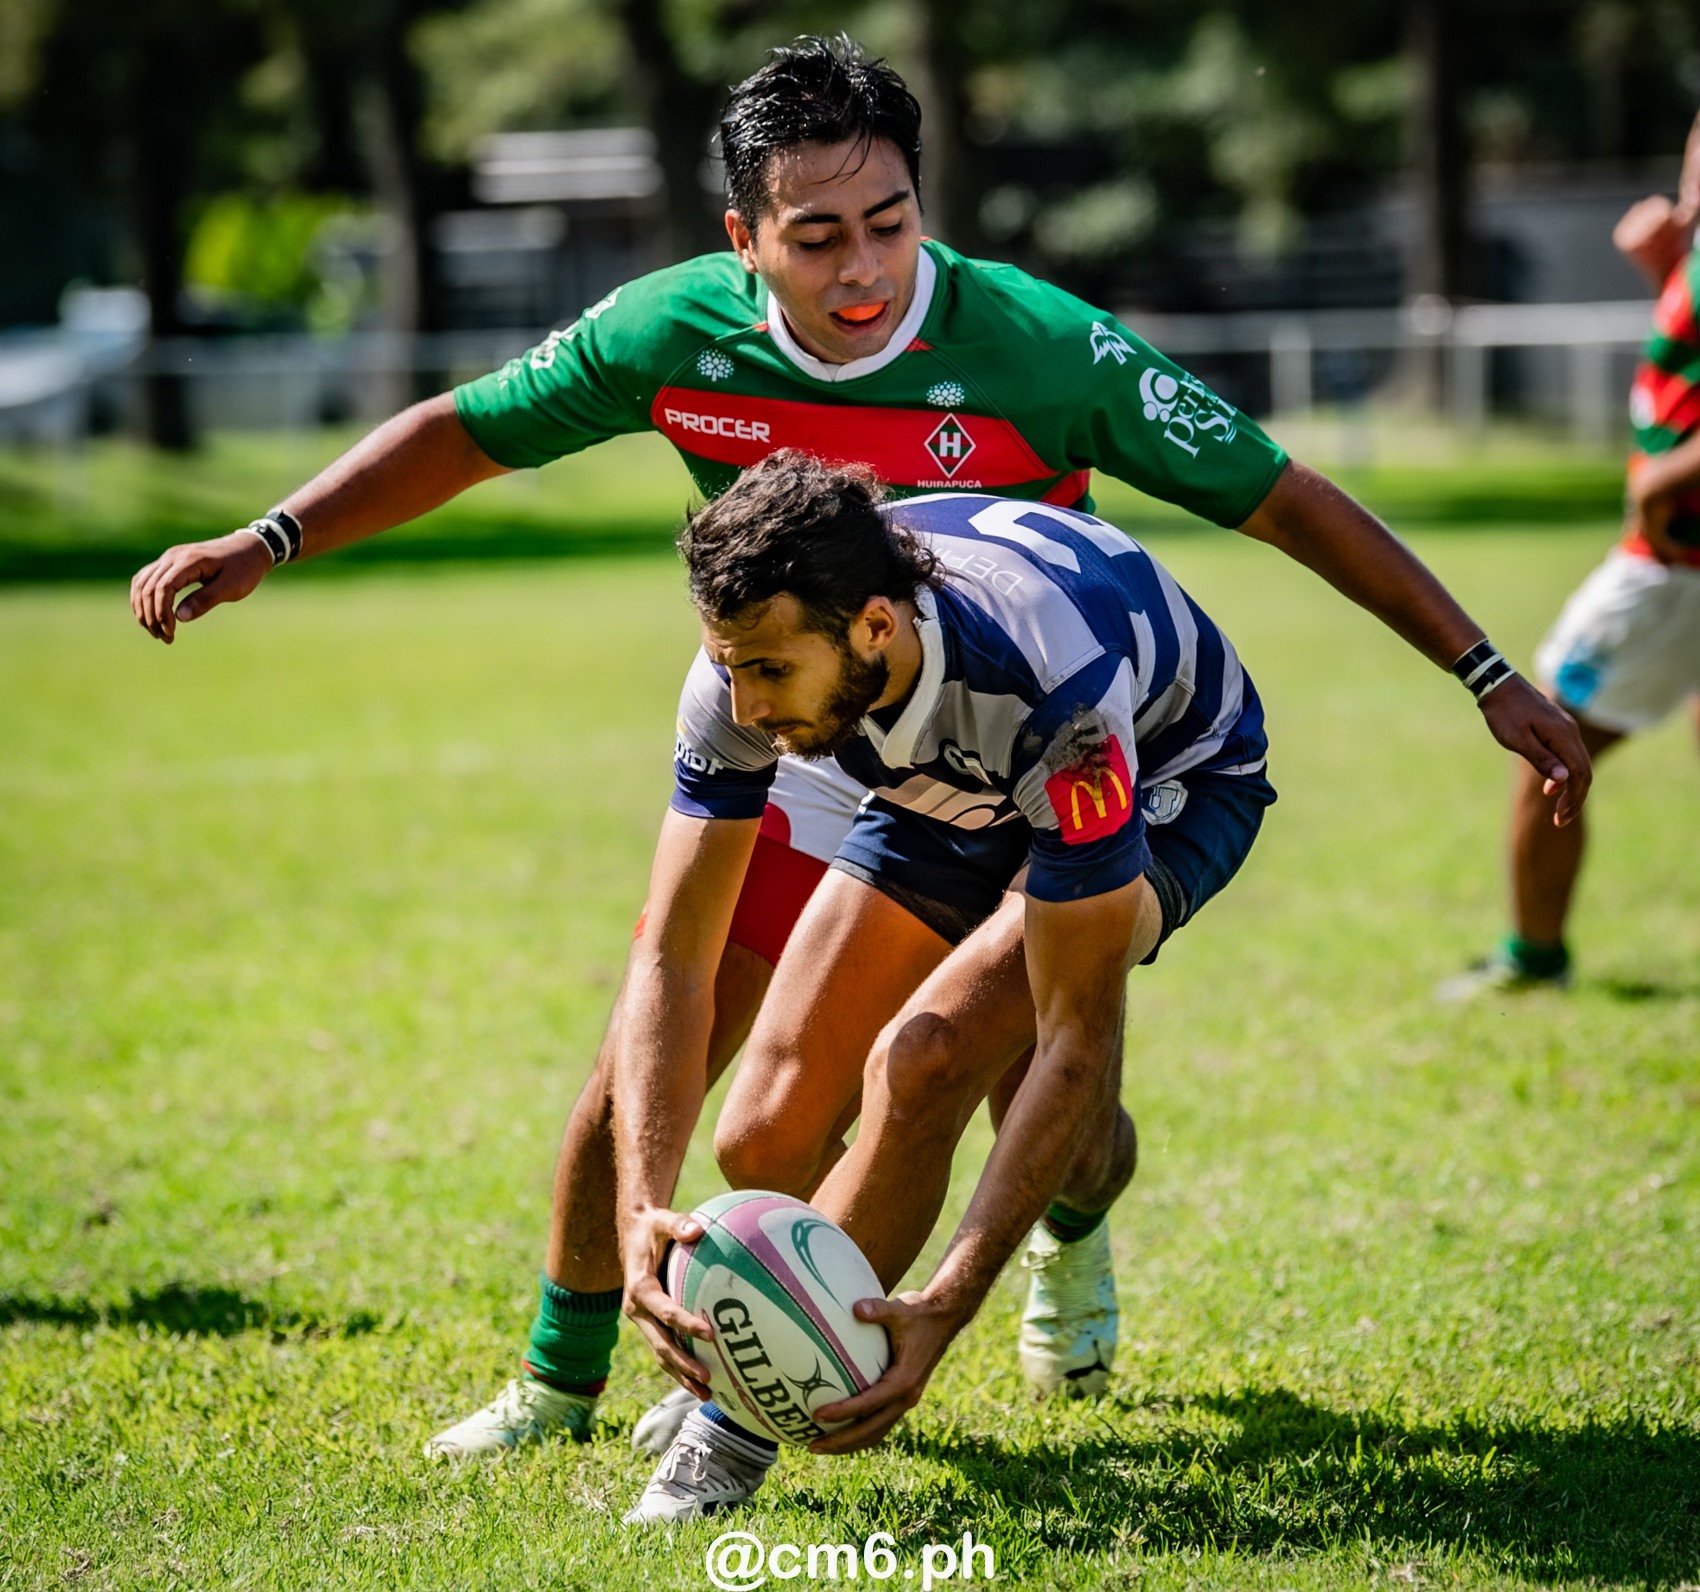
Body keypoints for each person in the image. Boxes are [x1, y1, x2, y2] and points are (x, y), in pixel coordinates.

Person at [126, 37, 1590, 1459]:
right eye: (817, 237)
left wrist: (1479, 665)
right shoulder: (671, 332)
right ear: (744, 239)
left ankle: (1064, 1240)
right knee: (669, 1078)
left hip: (1047, 736)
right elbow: (471, 429)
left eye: (888, 224)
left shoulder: (1039, 345)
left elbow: (1280, 496)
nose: (864, 268)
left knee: (1035, 1098)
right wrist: (275, 536)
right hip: (817, 734)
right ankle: (557, 1387)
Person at [611, 450, 1273, 1520]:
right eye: (728, 665)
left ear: (874, 627)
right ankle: (1074, 1168)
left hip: (1162, 779)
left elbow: (1072, 1035)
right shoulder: (750, 666)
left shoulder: (1059, 700)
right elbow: (671, 953)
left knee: (926, 1057)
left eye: (770, 671)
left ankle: (727, 1438)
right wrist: (640, 1205)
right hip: (951, 771)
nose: (742, 701)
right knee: (763, 1137)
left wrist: (945, 1302)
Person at [1444, 111, 1700, 999]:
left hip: (1669, 569)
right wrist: (1667, 269)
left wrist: (1668, 478)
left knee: (1550, 738)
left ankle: (1534, 956)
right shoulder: (1689, 252)